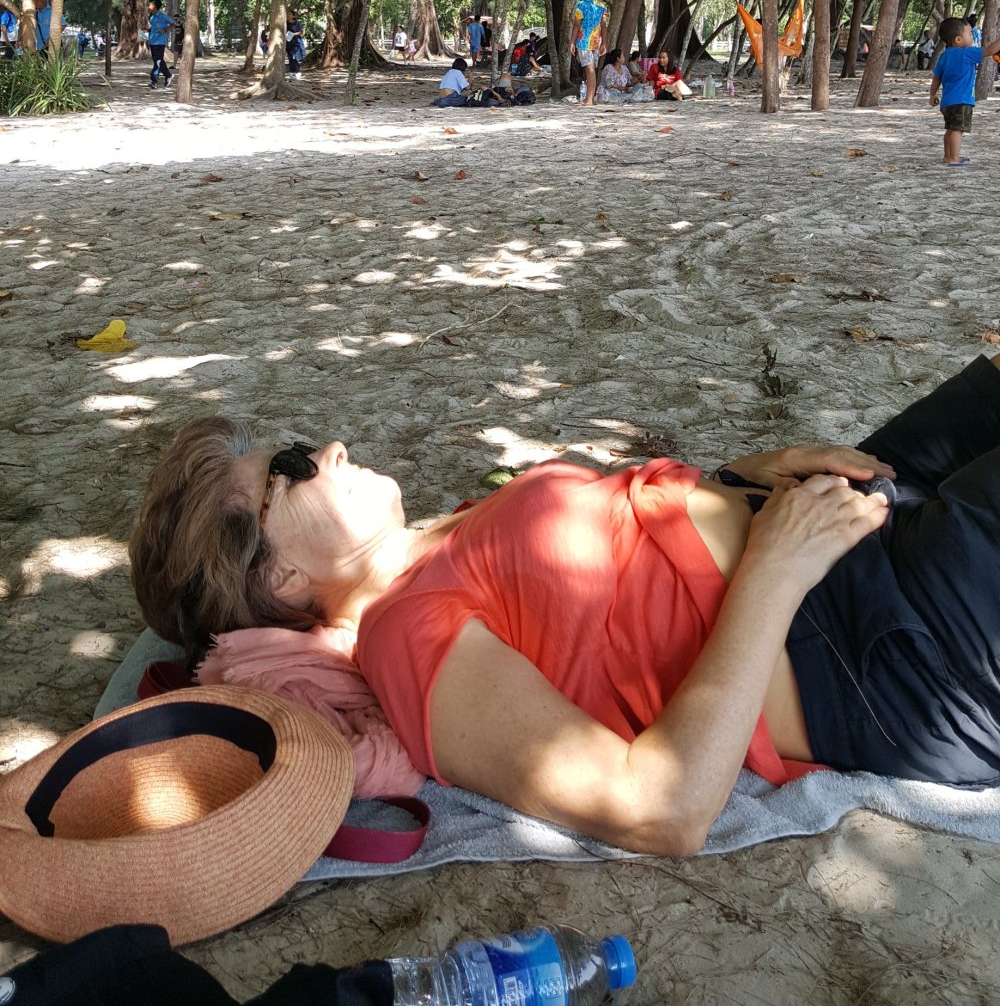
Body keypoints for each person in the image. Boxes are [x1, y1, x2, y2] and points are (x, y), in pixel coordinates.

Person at [131, 354, 1000, 857]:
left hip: (827, 532)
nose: (328, 447)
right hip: (883, 640)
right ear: (282, 578)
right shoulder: (404, 635)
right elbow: (658, 807)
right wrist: (773, 569)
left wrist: (736, 480)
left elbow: (617, 585)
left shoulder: (433, 544)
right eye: (291, 468)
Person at [929, 14, 1000, 166]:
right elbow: (989, 51)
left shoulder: (944, 56)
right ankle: (954, 158)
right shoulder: (967, 52)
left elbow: (936, 78)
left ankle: (948, 156)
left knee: (950, 129)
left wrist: (932, 94)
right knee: (957, 130)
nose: (972, 36)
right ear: (958, 40)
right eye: (969, 34)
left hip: (947, 102)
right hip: (961, 100)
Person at [571, 0, 608, 106]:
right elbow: (604, 26)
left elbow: (576, 25)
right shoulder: (601, 6)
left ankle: (589, 99)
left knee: (589, 69)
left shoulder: (581, 5)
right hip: (596, 42)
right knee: (591, 70)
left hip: (584, 41)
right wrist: (604, 43)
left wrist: (572, 42)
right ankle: (589, 97)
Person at [145, 0, 174, 88]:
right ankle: (168, 75)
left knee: (158, 61)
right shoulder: (151, 17)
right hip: (152, 41)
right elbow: (152, 28)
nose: (149, 6)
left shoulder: (162, 16)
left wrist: (165, 29)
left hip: (160, 42)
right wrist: (149, 30)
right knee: (157, 61)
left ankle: (154, 81)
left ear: (155, 6)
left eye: (150, 5)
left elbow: (173, 23)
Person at [286, 12, 305, 77]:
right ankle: (292, 71)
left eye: (289, 14)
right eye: (287, 14)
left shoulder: (297, 23)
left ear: (293, 16)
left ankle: (297, 71)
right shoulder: (285, 23)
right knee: (290, 57)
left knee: (293, 56)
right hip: (287, 42)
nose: (288, 15)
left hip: (295, 42)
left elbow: (302, 32)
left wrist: (293, 34)